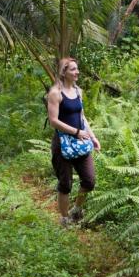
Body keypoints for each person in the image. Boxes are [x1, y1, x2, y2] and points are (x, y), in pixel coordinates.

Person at [46, 57, 101, 226]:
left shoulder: (78, 91)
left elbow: (82, 117)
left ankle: (76, 209)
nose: (77, 72)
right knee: (65, 183)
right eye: (73, 69)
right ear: (64, 72)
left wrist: (92, 136)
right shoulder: (55, 93)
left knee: (89, 180)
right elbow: (53, 120)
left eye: (77, 69)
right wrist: (76, 132)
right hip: (63, 143)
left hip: (80, 141)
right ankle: (64, 218)